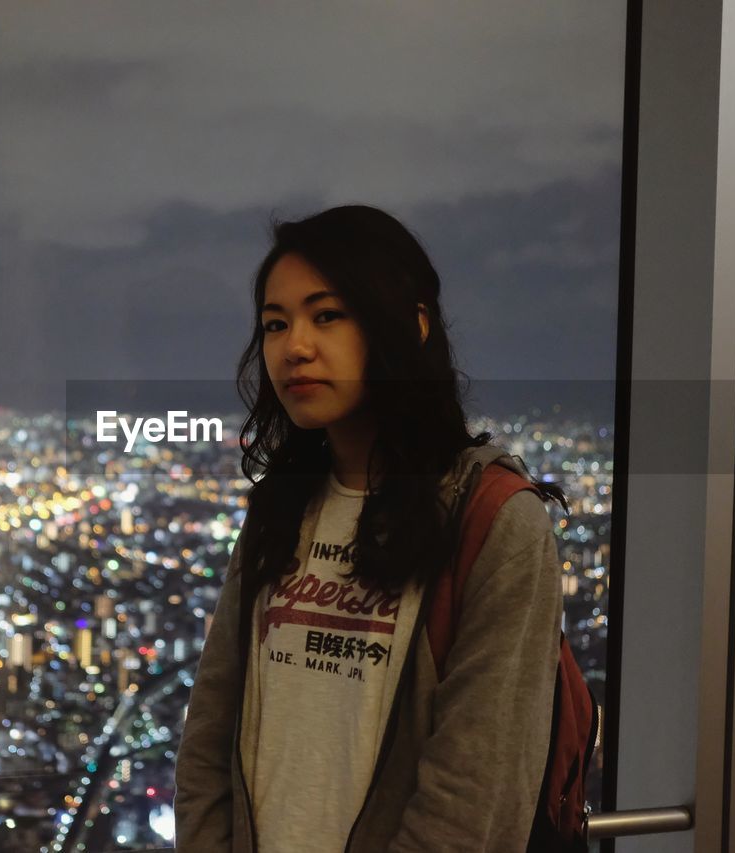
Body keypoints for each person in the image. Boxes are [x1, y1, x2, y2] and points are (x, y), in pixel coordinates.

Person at [172, 204, 569, 852]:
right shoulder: (280, 509)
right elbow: (208, 738)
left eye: (327, 315)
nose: (295, 346)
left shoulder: (493, 519)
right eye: (275, 324)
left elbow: (475, 797)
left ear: (410, 327)